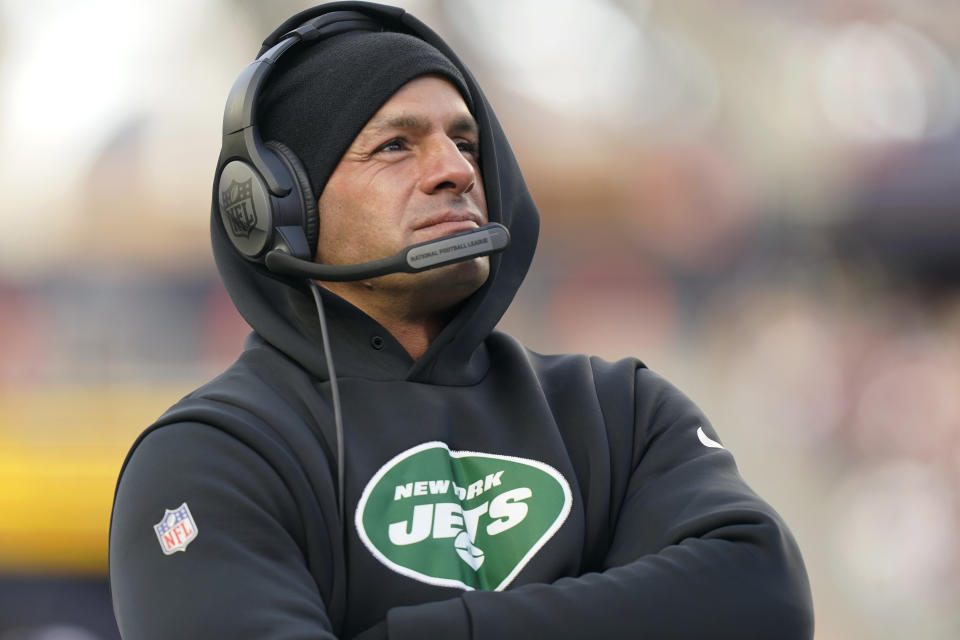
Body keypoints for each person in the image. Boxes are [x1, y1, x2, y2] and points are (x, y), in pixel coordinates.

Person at [109, 3, 814, 639]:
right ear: (280, 211)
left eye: (467, 143)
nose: (454, 170)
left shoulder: (618, 410)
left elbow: (762, 595)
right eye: (395, 146)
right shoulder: (210, 456)